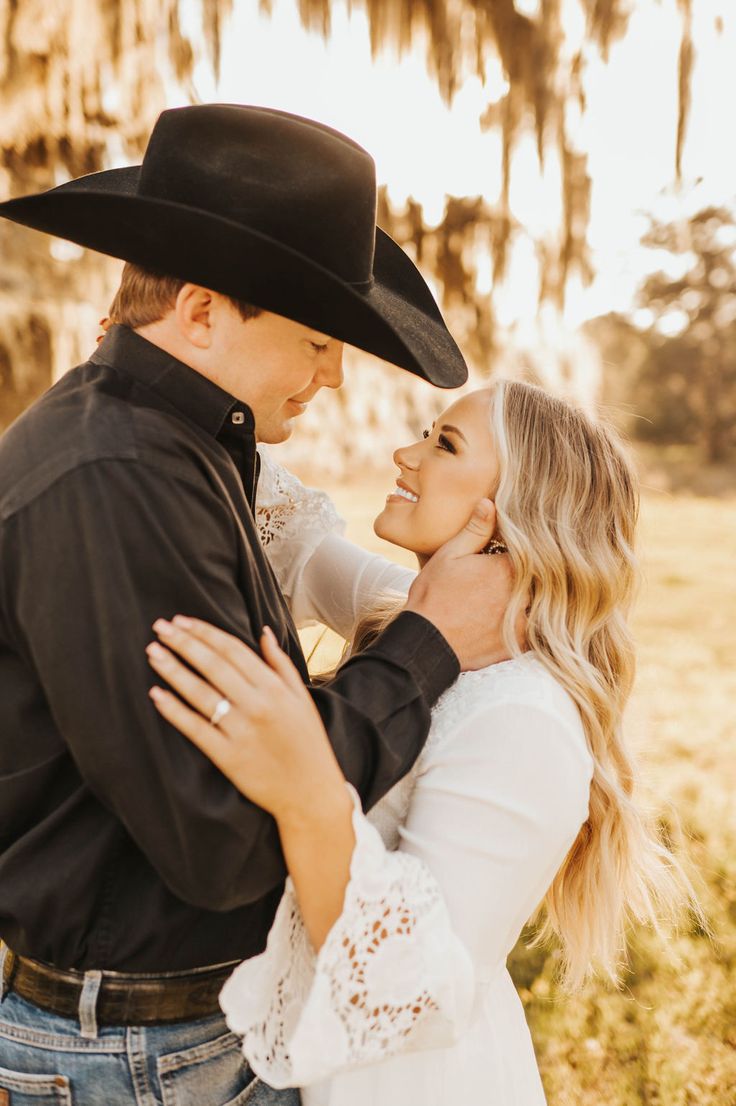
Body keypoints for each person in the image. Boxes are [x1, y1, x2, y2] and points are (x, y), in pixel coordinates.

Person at [0, 105, 514, 1105]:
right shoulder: (118, 479)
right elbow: (224, 840)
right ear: (198, 312)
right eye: (318, 339)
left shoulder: (176, 448)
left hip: (161, 1036)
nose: (332, 375)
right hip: (141, 1056)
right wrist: (426, 645)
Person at [147, 381, 687, 1106]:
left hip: (407, 1084)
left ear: (511, 515)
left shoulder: (526, 718)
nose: (406, 454)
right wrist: (171, 382)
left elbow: (414, 983)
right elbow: (304, 551)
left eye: (445, 444)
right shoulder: (421, 612)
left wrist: (305, 792)